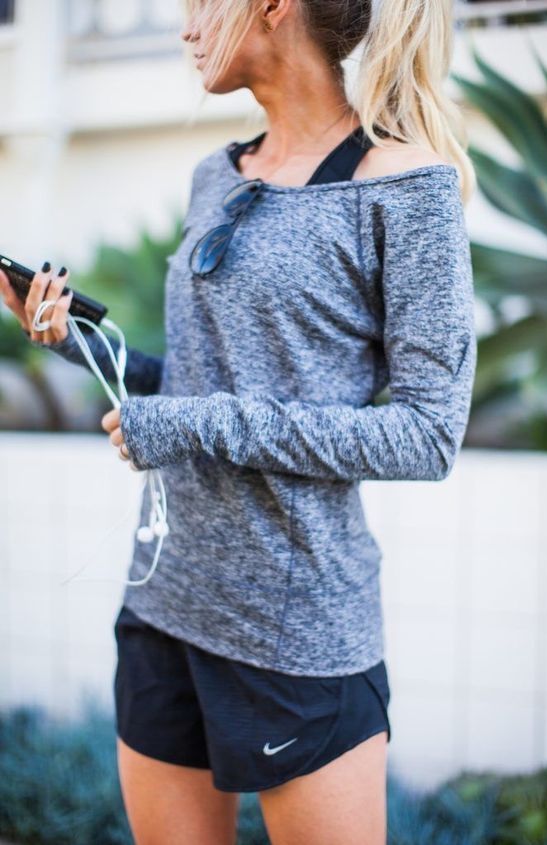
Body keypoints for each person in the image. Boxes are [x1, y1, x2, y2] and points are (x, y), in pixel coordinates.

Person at [0, 0, 477, 842]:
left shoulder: (407, 188)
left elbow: (427, 433)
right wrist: (77, 340)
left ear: (272, 6)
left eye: (198, 4)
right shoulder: (217, 175)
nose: (185, 28)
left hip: (296, 633)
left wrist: (195, 424)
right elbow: (190, 382)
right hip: (163, 605)